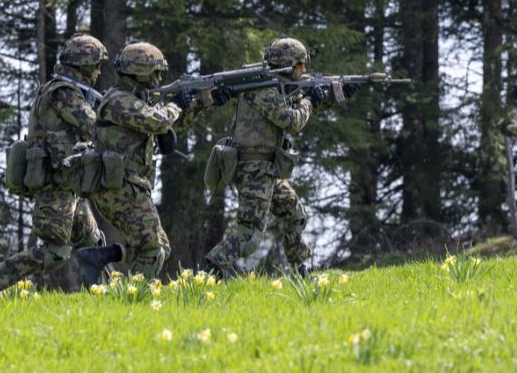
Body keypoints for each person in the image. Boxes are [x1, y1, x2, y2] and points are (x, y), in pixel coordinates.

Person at [0, 34, 108, 294]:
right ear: (82, 65)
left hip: (69, 184)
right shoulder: (63, 93)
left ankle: (111, 297)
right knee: (55, 251)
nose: (98, 72)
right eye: (95, 65)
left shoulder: (67, 90)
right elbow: (93, 126)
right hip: (55, 184)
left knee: (93, 244)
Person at [76, 42, 229, 284]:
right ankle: (130, 299)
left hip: (129, 185)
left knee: (161, 247)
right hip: (119, 187)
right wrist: (176, 103)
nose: (159, 78)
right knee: (152, 249)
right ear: (139, 71)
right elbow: (157, 121)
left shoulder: (137, 99)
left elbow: (171, 125)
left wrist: (202, 102)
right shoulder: (118, 100)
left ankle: (103, 256)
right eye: (155, 72)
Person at [205, 37, 356, 276]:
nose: (303, 70)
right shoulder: (261, 89)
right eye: (299, 65)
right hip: (254, 169)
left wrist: (335, 95)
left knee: (294, 214)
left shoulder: (278, 87)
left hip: (268, 169)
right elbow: (292, 120)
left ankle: (301, 271)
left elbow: (301, 108)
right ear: (287, 66)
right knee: (250, 233)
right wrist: (310, 100)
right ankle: (211, 268)